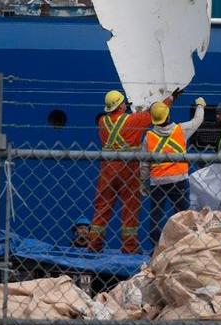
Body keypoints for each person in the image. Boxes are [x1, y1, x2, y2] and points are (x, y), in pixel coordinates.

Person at [88, 88, 179, 254]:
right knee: (130, 206)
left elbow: (124, 121)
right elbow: (156, 114)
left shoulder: (102, 121)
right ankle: (129, 247)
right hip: (128, 168)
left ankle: (94, 245)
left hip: (107, 168)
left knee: (102, 206)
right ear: (121, 105)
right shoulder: (133, 120)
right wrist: (170, 99)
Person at [142, 97, 205, 247]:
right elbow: (198, 120)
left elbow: (144, 164)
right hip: (179, 180)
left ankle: (156, 247)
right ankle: (184, 245)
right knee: (183, 214)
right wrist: (200, 105)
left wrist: (144, 183)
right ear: (168, 115)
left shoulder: (148, 137)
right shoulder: (181, 130)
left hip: (157, 182)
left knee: (156, 216)